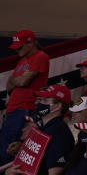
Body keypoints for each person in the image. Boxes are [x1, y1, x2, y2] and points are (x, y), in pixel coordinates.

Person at [1, 30, 49, 163]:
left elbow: (22, 82)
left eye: (20, 47)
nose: (17, 51)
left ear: (30, 43)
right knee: (4, 153)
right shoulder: (22, 60)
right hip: (12, 111)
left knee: (14, 152)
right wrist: (16, 79)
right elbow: (9, 86)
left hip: (25, 109)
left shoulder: (40, 56)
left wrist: (15, 79)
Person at [31, 84, 76, 175]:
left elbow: (54, 172)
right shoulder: (44, 128)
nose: (38, 103)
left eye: (45, 100)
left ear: (57, 106)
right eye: (40, 99)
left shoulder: (59, 133)